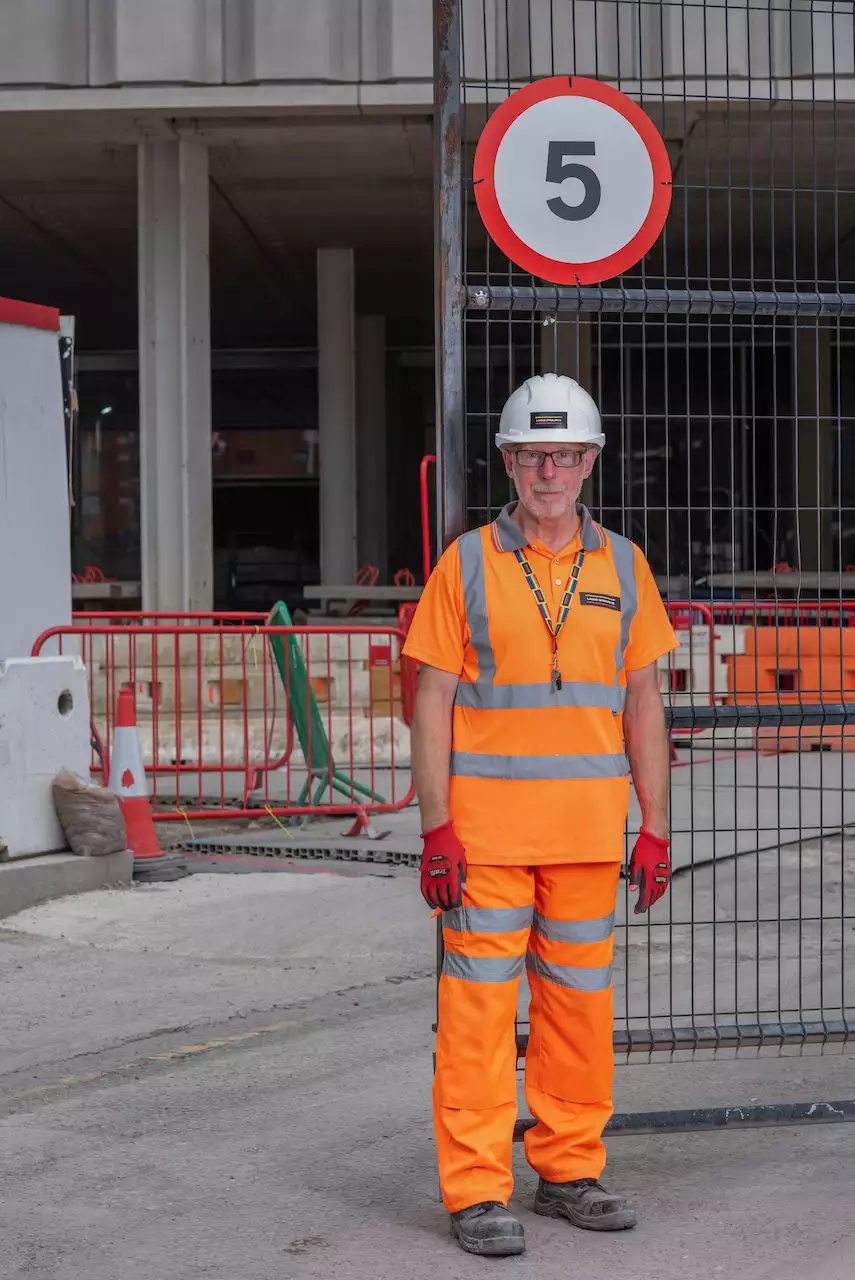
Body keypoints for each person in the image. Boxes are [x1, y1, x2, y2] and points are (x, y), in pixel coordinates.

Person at [402, 373, 678, 1258]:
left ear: (590, 462)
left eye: (564, 455)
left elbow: (642, 706)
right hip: (484, 839)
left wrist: (656, 826)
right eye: (531, 455)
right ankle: (477, 1190)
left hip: (587, 842)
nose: (548, 471)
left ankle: (567, 1172)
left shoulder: (624, 567)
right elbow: (431, 702)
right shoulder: (468, 564)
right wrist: (436, 827)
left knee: (577, 1012)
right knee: (478, 1018)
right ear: (509, 464)